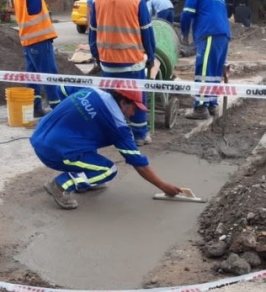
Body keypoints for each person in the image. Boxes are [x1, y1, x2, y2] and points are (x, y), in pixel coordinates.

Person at [31, 88, 182, 210]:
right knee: (108, 170)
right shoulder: (118, 126)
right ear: (123, 103)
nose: (134, 114)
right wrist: (163, 186)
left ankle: (84, 181)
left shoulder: (91, 91)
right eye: (134, 108)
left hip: (39, 136)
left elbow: (62, 89)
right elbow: (138, 162)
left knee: (88, 147)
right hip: (55, 152)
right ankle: (61, 184)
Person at [89, 0, 156, 145]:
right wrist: (150, 56)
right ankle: (140, 134)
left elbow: (93, 31)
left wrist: (97, 55)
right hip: (131, 61)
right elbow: (147, 32)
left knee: (110, 99)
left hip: (108, 62)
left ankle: (112, 133)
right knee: (136, 99)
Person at [180, 0, 231, 120]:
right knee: (214, 72)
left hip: (209, 32)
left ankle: (201, 107)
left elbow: (187, 13)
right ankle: (212, 104)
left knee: (203, 70)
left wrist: (184, 34)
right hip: (224, 35)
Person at [14, 0, 61, 118]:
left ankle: (35, 107)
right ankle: (57, 109)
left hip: (28, 43)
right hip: (40, 42)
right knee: (49, 76)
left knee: (32, 77)